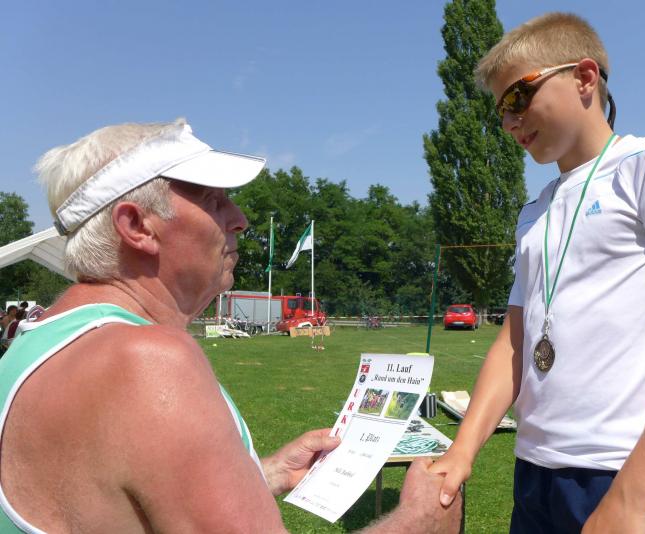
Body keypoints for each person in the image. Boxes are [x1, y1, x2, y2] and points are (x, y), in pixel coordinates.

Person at [0, 119, 461, 533]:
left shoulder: (35, 344)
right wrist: (417, 521)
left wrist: (264, 474)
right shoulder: (148, 362)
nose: (239, 220)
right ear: (137, 225)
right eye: (213, 199)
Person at [429, 12, 645, 534]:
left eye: (518, 97)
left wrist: (633, 497)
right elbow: (515, 340)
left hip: (626, 474)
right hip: (535, 472)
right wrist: (462, 450)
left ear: (583, 77)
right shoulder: (533, 212)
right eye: (500, 110)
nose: (509, 122)